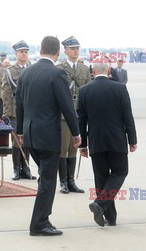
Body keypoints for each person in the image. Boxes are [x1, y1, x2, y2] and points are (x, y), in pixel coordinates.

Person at [16, 36, 81, 236]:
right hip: (48, 135)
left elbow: (19, 104)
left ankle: (43, 218)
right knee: (48, 179)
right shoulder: (57, 73)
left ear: (40, 50)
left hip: (30, 134)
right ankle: (39, 224)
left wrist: (19, 131)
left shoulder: (26, 73)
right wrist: (76, 132)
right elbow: (67, 106)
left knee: (45, 177)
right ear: (58, 52)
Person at [77, 62, 137, 227]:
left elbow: (81, 120)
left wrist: (83, 144)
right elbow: (127, 116)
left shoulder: (84, 91)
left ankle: (109, 216)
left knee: (101, 177)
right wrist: (132, 140)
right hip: (117, 139)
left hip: (96, 140)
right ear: (109, 70)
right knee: (120, 172)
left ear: (93, 71)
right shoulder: (120, 88)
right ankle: (101, 204)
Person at [57, 36, 90, 194]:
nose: (76, 51)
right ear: (65, 51)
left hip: (78, 114)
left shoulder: (84, 69)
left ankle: (71, 181)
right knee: (63, 149)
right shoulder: (59, 68)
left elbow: (88, 93)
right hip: (63, 115)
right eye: (72, 48)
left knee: (74, 148)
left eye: (77, 48)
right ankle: (63, 181)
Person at [2, 40, 35, 181]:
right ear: (16, 53)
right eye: (22, 52)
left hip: (30, 109)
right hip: (15, 110)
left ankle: (26, 169)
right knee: (16, 141)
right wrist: (7, 113)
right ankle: (16, 169)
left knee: (27, 140)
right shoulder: (10, 71)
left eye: (26, 52)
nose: (24, 54)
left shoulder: (33, 69)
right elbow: (6, 93)